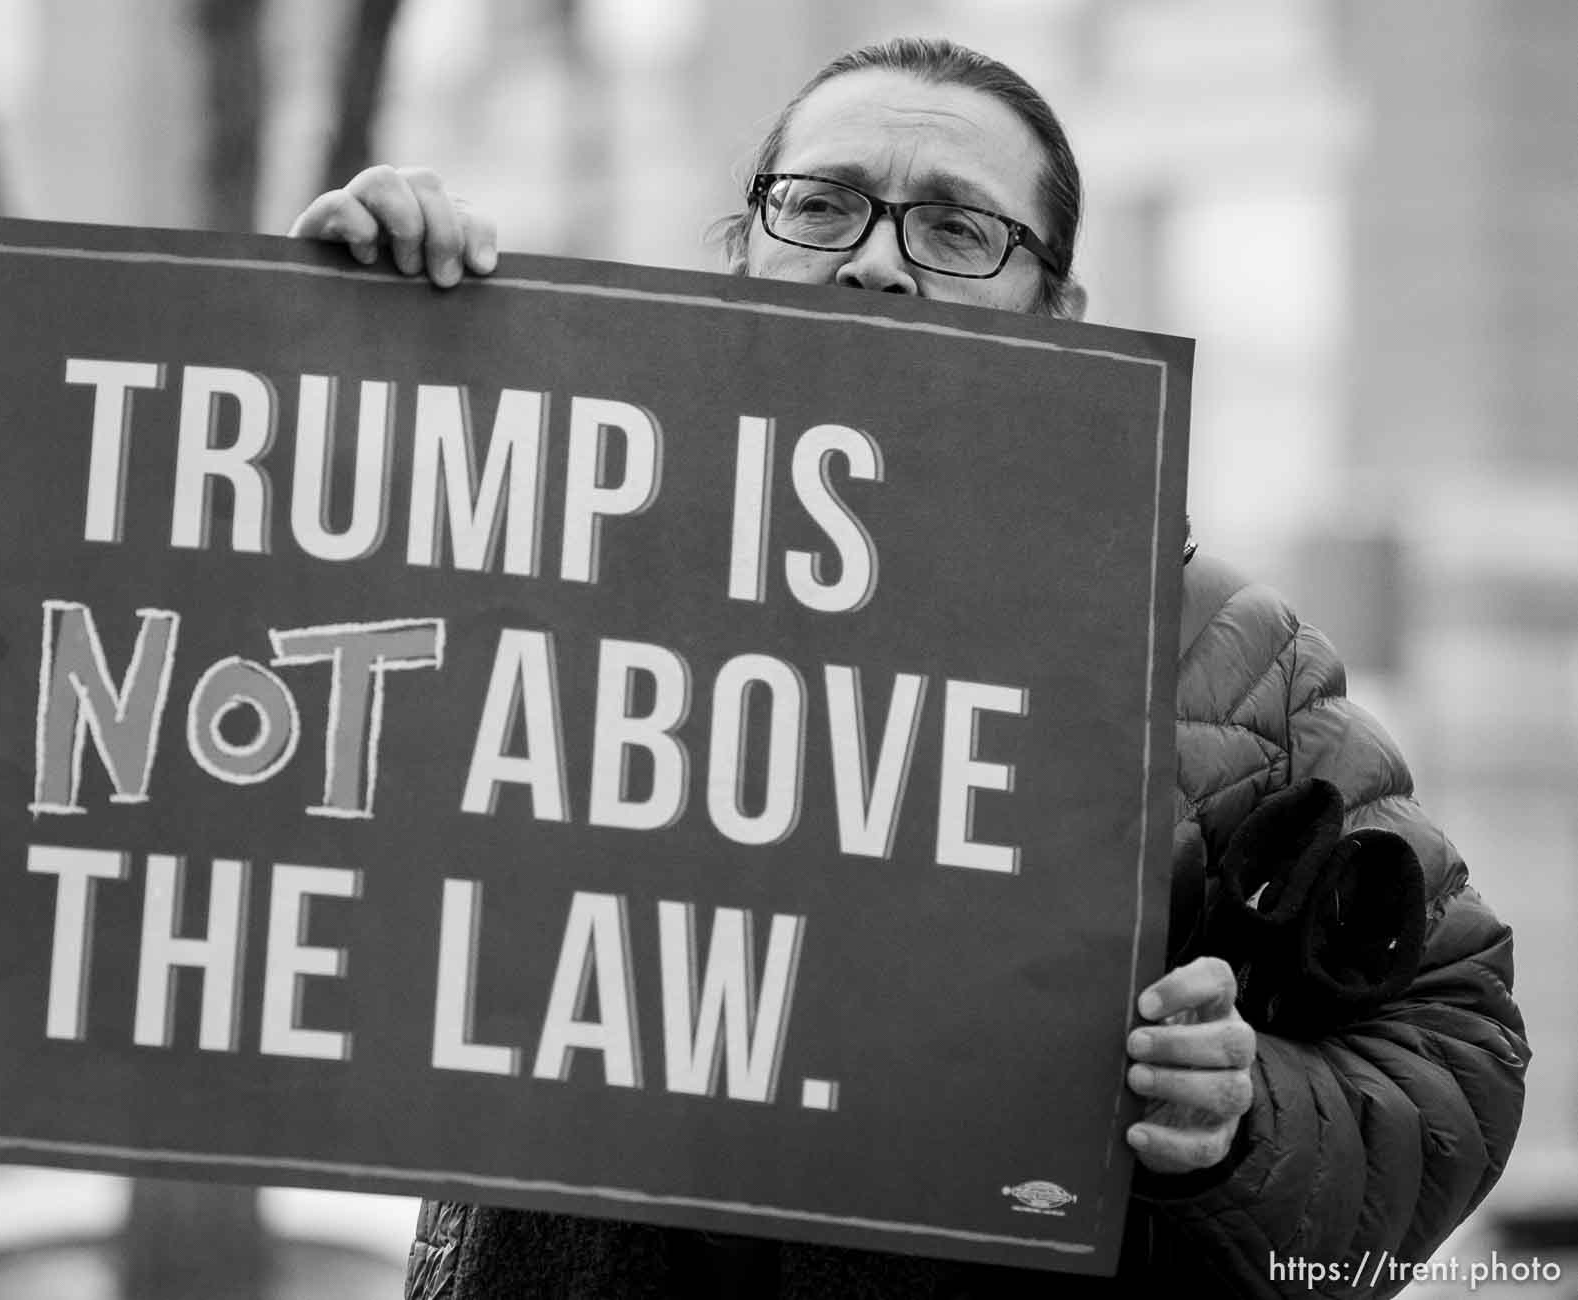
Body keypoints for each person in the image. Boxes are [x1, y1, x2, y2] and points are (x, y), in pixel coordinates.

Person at [291, 36, 1528, 1298]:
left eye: (956, 229)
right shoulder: (547, 556)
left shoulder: (1211, 656)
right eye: (821, 205)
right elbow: (246, 745)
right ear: (744, 256)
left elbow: (1453, 1048)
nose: (875, 261)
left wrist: (1242, 1116)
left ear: (1059, 317)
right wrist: (335, 359)